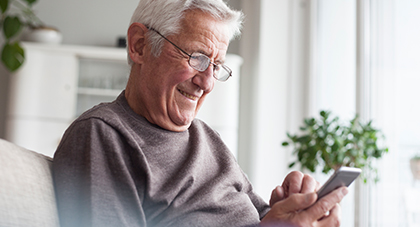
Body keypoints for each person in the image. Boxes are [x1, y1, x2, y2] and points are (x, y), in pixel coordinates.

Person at [53, 0, 348, 226]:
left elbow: (260, 218)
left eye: (216, 66)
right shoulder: (103, 136)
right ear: (140, 46)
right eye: (197, 57)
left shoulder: (207, 138)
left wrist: (295, 209)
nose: (207, 82)